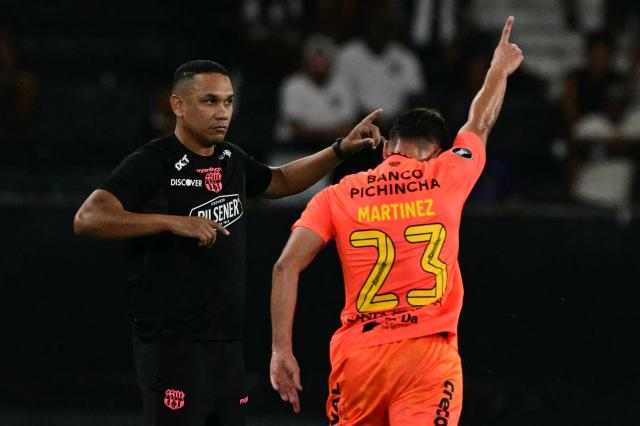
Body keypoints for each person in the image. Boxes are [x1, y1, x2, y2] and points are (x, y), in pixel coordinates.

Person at [73, 59, 384, 426]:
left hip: (225, 345)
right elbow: (88, 218)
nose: (222, 113)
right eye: (209, 101)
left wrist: (340, 150)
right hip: (172, 345)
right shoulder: (153, 162)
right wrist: (173, 223)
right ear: (178, 106)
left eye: (228, 102)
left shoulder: (230, 159)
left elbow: (280, 181)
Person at [270, 16, 523, 425]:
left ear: (387, 146)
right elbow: (480, 122)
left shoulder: (339, 194)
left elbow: (286, 266)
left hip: (360, 357)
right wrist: (498, 70)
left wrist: (281, 350)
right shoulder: (448, 174)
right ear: (439, 151)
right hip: (428, 355)